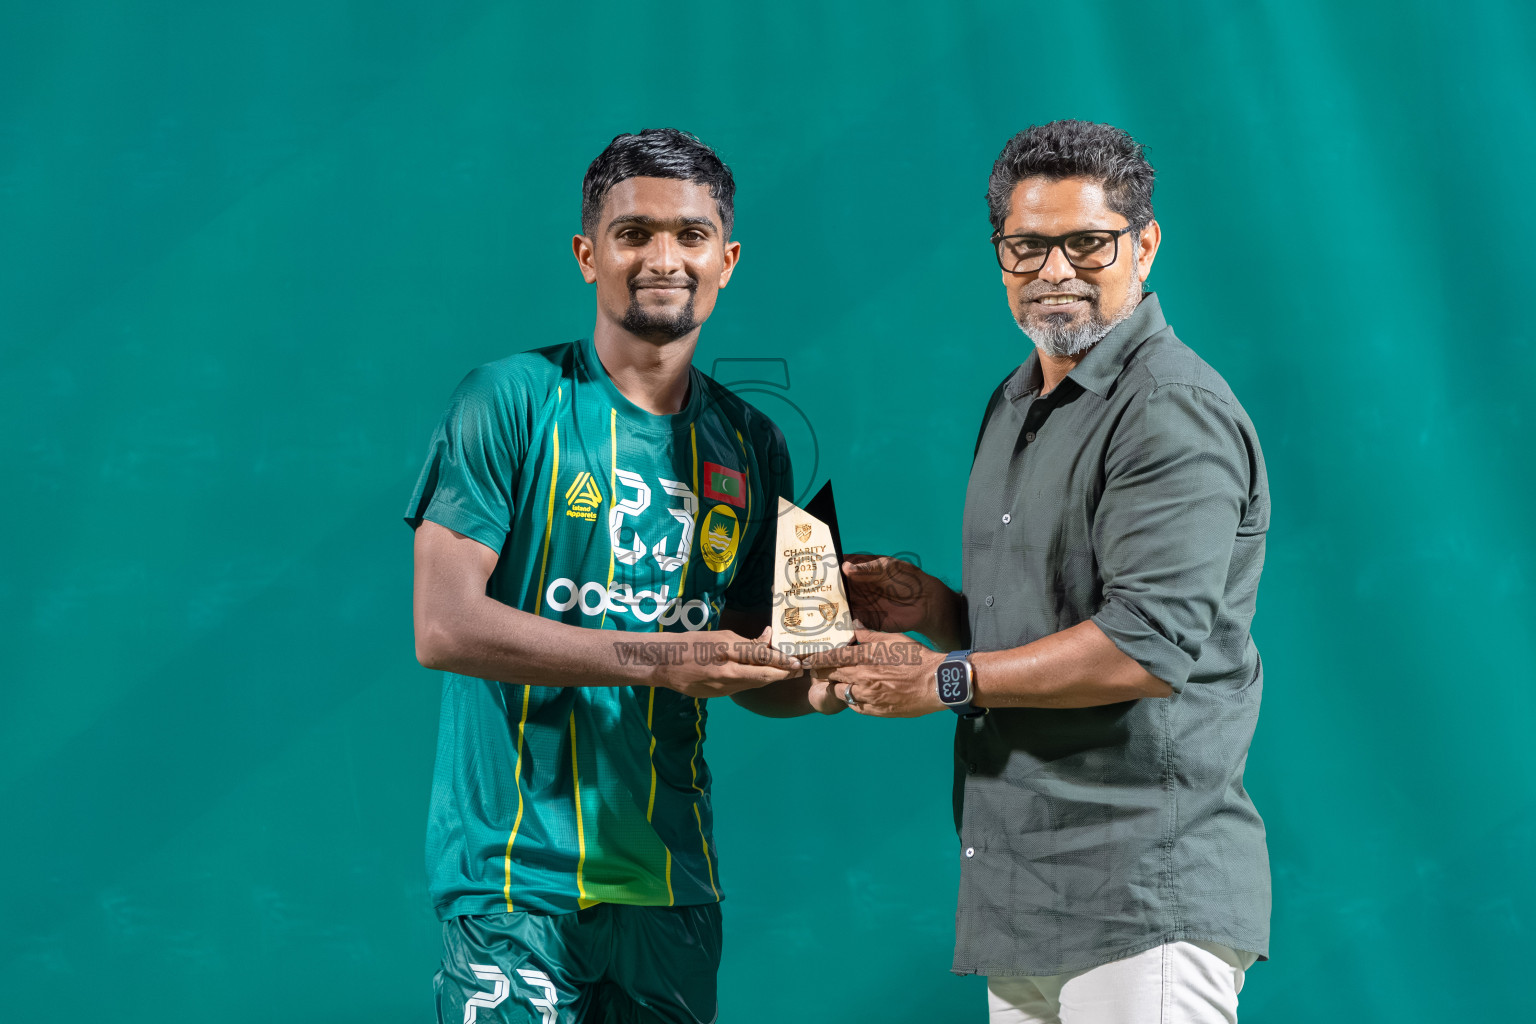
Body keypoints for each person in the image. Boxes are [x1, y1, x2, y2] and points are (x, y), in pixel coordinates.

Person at [802, 120, 1271, 1023]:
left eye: (1087, 243)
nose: (1055, 270)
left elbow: (1144, 648)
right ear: (999, 254)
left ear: (1144, 243)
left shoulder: (1170, 410)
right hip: (1024, 895)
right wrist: (929, 607)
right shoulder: (1018, 398)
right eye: (1028, 247)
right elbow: (1034, 622)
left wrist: (944, 678)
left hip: (1144, 895)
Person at [405, 128, 827, 1024]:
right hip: (510, 884)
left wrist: (824, 678)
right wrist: (661, 660)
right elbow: (444, 626)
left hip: (673, 886)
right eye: (634, 233)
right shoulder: (509, 398)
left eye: (690, 235)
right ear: (588, 254)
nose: (662, 258)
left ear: (728, 259)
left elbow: (751, 663)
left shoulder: (757, 444)